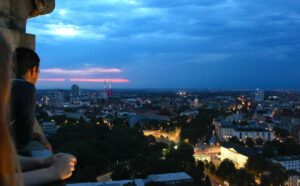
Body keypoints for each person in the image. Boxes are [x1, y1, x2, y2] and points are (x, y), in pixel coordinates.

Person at [0, 32, 76, 185]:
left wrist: (42, 162)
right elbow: (22, 138)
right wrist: (52, 172)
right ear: (33, 71)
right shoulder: (25, 87)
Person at [10, 47, 52, 153]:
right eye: (38, 72)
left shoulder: (6, 83)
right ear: (33, 70)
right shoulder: (25, 87)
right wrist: (38, 137)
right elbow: (23, 136)